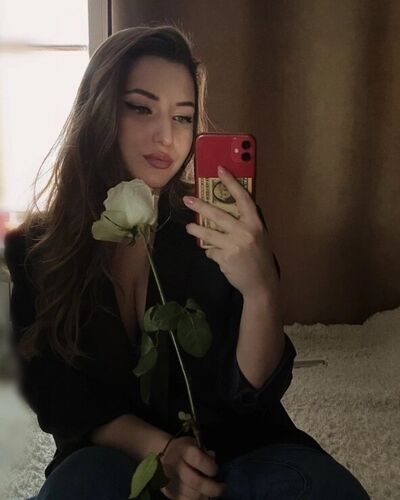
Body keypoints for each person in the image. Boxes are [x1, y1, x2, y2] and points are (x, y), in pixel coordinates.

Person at [4, 24, 370, 500]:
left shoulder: (219, 226)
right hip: (114, 458)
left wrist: (261, 289)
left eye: (182, 117)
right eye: (141, 108)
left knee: (321, 487)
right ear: (99, 110)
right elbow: (57, 394)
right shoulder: (36, 251)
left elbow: (253, 393)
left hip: (235, 454)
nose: (166, 136)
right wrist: (159, 450)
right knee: (81, 485)